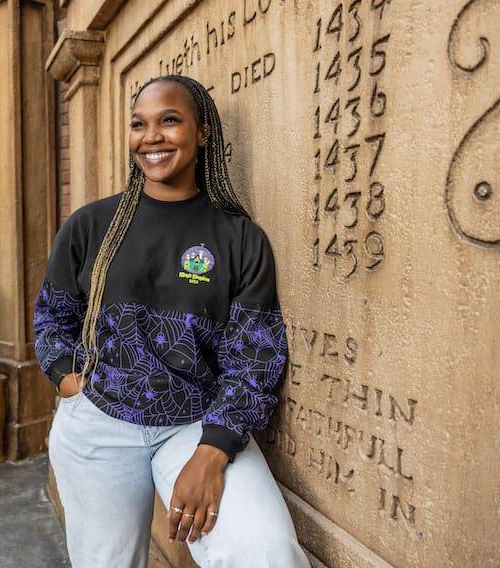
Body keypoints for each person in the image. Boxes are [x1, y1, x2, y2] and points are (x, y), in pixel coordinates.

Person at [34, 75, 309, 567]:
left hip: (195, 425)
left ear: (202, 132)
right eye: (139, 124)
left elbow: (255, 355)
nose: (151, 136)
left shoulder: (238, 237)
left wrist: (213, 450)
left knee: (265, 553)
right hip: (98, 425)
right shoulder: (92, 225)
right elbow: (53, 315)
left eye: (169, 120)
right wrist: (66, 378)